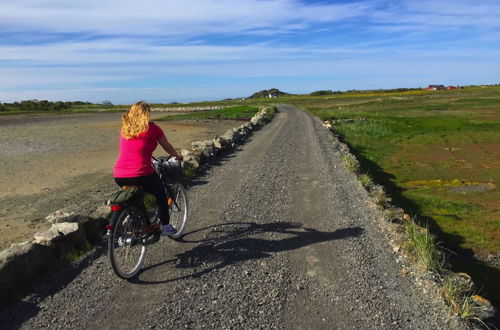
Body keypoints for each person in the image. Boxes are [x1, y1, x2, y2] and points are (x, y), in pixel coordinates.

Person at [113, 101, 183, 235]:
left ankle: (130, 218)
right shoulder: (153, 129)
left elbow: (134, 150)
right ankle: (166, 226)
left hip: (119, 174)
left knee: (136, 197)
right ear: (147, 114)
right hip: (141, 173)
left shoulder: (125, 129)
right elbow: (166, 146)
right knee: (161, 195)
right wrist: (177, 155)